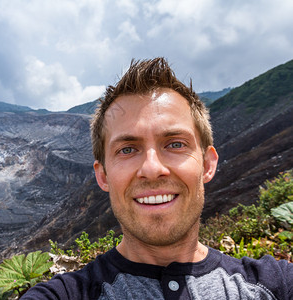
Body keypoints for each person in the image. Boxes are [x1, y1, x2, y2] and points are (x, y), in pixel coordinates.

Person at [22, 58, 292, 299]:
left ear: (208, 164)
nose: (152, 168)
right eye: (127, 149)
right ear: (102, 175)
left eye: (175, 144)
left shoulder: (275, 284)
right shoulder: (66, 295)